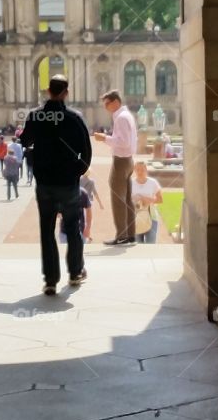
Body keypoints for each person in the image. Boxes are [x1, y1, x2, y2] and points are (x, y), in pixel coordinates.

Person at [19, 75, 92, 295]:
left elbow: (24, 142)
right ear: (66, 92)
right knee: (72, 227)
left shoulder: (35, 116)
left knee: (47, 230)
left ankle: (50, 280)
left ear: (49, 92)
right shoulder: (74, 118)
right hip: (68, 182)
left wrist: (37, 160)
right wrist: (76, 172)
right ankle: (75, 272)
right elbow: (86, 153)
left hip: (45, 183)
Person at [94, 89, 137, 244]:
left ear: (115, 102)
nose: (105, 107)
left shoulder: (121, 118)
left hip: (121, 161)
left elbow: (123, 142)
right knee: (126, 199)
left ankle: (122, 235)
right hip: (128, 160)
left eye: (107, 104)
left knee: (118, 199)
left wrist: (105, 138)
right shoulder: (126, 116)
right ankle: (130, 234)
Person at [131, 160, 163, 244]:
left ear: (146, 170)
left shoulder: (153, 182)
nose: (140, 172)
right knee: (138, 247)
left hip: (152, 218)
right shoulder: (130, 183)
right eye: (137, 169)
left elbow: (160, 199)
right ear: (134, 170)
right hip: (135, 219)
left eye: (142, 169)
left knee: (150, 247)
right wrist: (135, 200)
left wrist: (148, 199)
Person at [80, 169, 103, 242]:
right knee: (88, 219)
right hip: (89, 201)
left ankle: (82, 234)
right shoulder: (91, 181)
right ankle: (87, 235)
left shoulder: (79, 179)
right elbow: (95, 193)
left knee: (81, 218)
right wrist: (100, 203)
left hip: (80, 200)